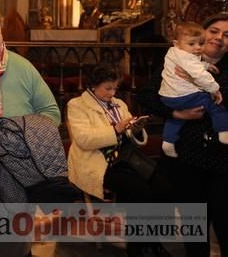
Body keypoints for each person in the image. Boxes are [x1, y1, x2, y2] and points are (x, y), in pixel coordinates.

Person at [0, 5, 61, 257]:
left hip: (15, 168)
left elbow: (51, 112)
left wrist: (20, 136)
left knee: (16, 245)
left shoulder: (22, 66)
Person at [139, 14, 228, 257]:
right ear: (200, 33)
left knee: (225, 221)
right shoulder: (173, 62)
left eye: (226, 34)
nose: (219, 38)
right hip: (186, 156)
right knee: (194, 227)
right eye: (214, 31)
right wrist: (176, 113)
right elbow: (146, 97)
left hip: (223, 160)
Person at [68, 65, 172, 257]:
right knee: (138, 190)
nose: (112, 93)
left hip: (124, 158)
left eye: (115, 88)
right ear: (93, 85)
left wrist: (137, 129)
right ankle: (139, 248)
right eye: (108, 88)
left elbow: (135, 138)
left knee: (161, 185)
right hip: (95, 162)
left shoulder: (119, 104)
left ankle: (151, 242)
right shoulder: (77, 105)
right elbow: (83, 140)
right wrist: (116, 129)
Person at [159, 21, 227, 158]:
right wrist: (215, 89)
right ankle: (224, 131)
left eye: (200, 43)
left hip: (168, 97)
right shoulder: (188, 59)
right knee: (215, 106)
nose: (197, 48)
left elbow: (193, 64)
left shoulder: (175, 53)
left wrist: (206, 66)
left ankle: (168, 140)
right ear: (176, 43)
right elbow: (199, 75)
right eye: (214, 31)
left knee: (175, 120)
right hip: (187, 148)